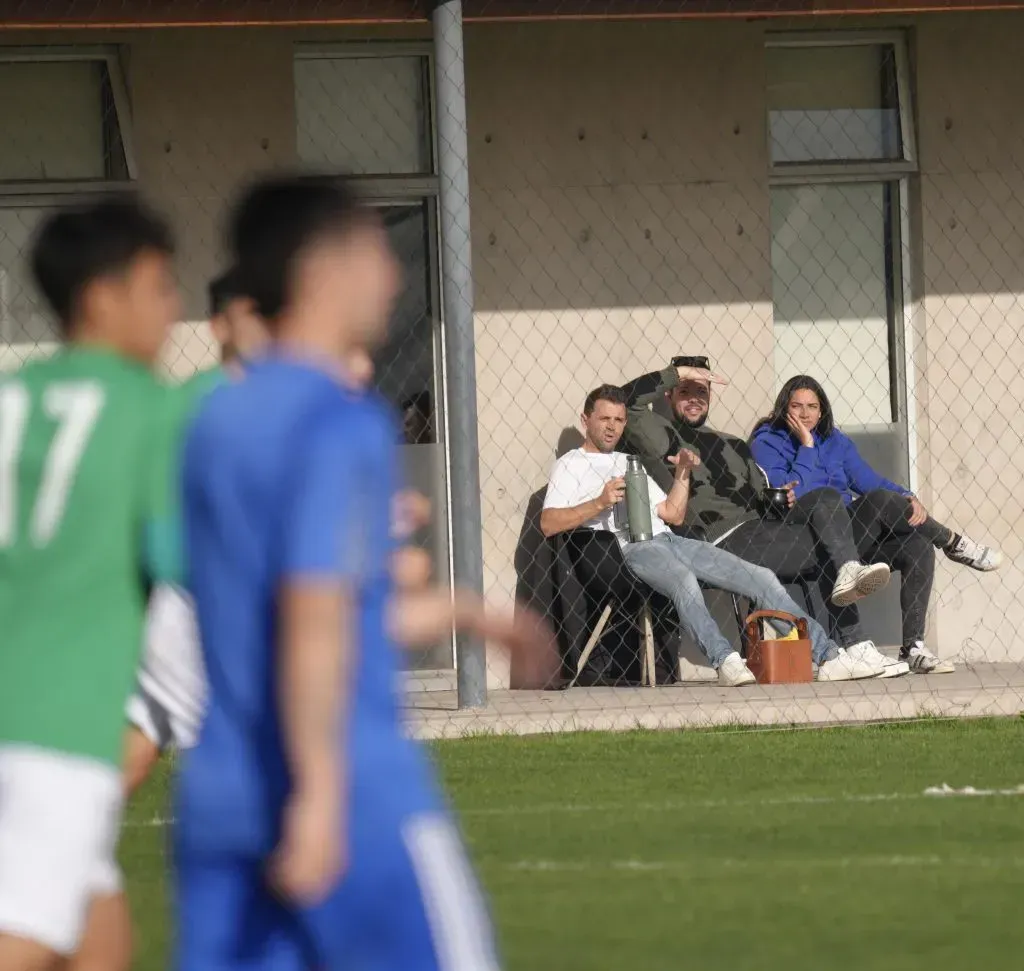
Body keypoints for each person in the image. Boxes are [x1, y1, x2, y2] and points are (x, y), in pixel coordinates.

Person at [174, 174, 555, 971]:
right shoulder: (337, 421)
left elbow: (294, 615)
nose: (392, 275)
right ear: (322, 268)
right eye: (376, 252)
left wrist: (465, 612)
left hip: (223, 796)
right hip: (349, 789)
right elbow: (313, 611)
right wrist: (317, 794)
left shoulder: (213, 421)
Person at [0, 196, 181, 971]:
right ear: (103, 297)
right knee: (26, 936)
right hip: (62, 726)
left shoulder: (11, 396)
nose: (173, 307)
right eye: (159, 286)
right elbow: (182, 563)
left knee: (99, 933)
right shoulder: (147, 408)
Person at [540, 384, 884, 686]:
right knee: (683, 579)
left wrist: (683, 473)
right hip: (628, 549)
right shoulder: (571, 464)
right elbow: (549, 523)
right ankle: (725, 660)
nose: (612, 426)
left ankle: (827, 655)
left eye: (618, 420)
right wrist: (599, 503)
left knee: (761, 578)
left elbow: (671, 514)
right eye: (604, 419)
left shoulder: (629, 462)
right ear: (586, 420)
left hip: (670, 540)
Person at [621, 359, 908, 678]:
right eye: (685, 390)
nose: (694, 399)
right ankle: (850, 648)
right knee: (832, 548)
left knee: (827, 508)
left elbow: (762, 498)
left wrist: (780, 497)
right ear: (669, 394)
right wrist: (679, 373)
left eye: (701, 392)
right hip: (720, 539)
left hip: (762, 531)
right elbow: (624, 401)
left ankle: (848, 634)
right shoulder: (657, 433)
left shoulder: (733, 444)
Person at [750, 374, 1003, 675]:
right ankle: (952, 543)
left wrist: (907, 497)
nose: (805, 414)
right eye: (797, 406)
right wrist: (806, 445)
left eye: (812, 407)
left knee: (917, 543)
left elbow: (869, 481)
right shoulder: (767, 441)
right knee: (839, 498)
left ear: (822, 410)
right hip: (800, 536)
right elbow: (790, 495)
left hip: (845, 537)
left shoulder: (835, 441)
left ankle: (913, 648)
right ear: (784, 408)